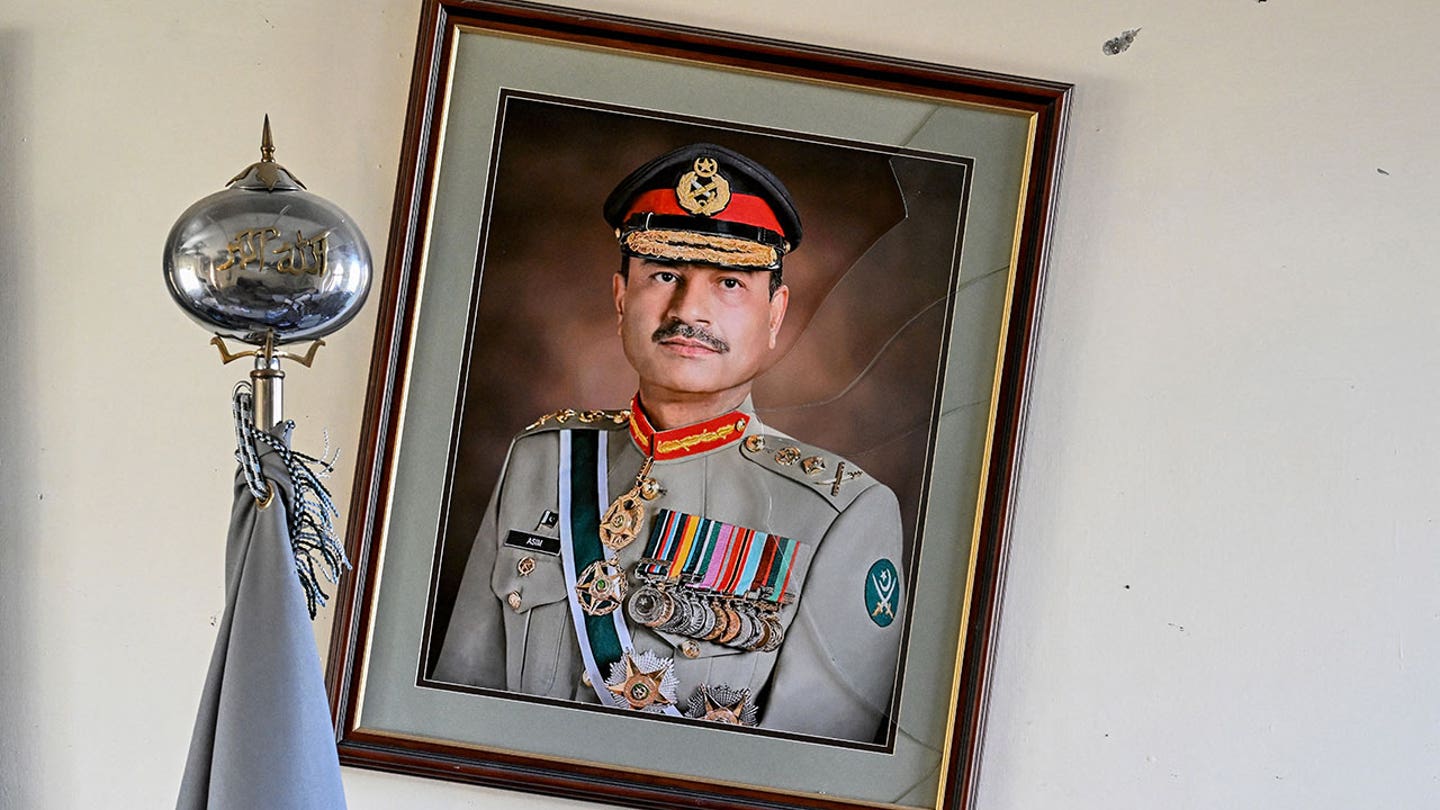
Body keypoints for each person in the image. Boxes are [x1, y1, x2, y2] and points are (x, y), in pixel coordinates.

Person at [433, 143, 905, 743]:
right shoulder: (541, 459)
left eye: (729, 282)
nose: (690, 311)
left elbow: (803, 772)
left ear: (775, 314)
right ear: (621, 297)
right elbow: (455, 714)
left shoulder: (841, 512)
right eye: (664, 275)